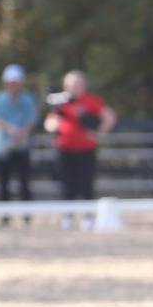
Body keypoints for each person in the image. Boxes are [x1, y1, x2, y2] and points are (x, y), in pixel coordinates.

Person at [44, 69, 116, 222]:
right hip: (65, 150)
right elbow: (49, 123)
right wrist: (54, 125)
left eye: (78, 84)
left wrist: (98, 134)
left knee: (86, 185)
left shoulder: (91, 101)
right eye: (71, 84)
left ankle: (88, 218)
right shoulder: (60, 103)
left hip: (86, 150)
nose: (74, 87)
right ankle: (67, 218)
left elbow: (109, 117)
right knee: (66, 186)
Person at [0, 63, 39, 222]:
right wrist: (12, 131)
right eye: (11, 82)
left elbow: (31, 120)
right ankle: (5, 216)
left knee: (24, 182)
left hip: (22, 146)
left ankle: (26, 216)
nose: (13, 85)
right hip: (2, 148)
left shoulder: (28, 99)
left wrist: (20, 134)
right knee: (3, 183)